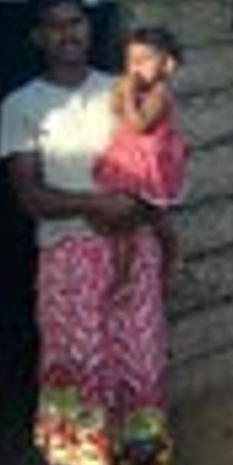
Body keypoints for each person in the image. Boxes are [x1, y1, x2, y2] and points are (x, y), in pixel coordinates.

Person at [0, 0, 173, 465]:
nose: (67, 34)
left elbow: (154, 160)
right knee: (80, 369)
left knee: (140, 363)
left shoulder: (120, 91)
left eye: (75, 22)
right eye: (54, 26)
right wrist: (96, 205)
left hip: (132, 249)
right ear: (37, 37)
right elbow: (30, 196)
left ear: (89, 27)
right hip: (69, 256)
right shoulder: (22, 105)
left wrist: (137, 209)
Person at [92, 25, 189, 295]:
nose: (135, 68)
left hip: (148, 166)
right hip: (130, 162)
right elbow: (117, 112)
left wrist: (126, 95)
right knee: (125, 221)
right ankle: (124, 276)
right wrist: (122, 96)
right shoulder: (140, 91)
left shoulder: (159, 94)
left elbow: (138, 125)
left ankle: (173, 257)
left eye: (144, 61)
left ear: (167, 65)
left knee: (156, 219)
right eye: (131, 61)